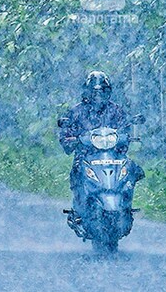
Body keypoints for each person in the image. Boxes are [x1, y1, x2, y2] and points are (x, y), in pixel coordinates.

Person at [58, 71, 144, 227]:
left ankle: (126, 205)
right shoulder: (77, 112)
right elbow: (66, 135)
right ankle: (80, 208)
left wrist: (126, 136)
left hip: (114, 157)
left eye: (102, 91)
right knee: (77, 171)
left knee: (133, 168)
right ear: (87, 92)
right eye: (94, 92)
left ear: (108, 92)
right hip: (86, 156)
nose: (98, 95)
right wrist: (75, 140)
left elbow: (126, 130)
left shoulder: (116, 111)